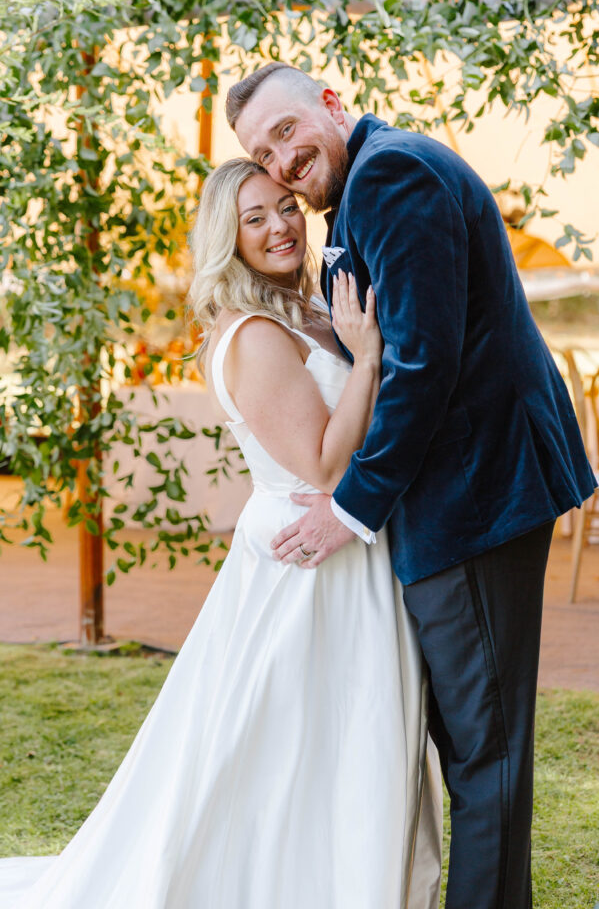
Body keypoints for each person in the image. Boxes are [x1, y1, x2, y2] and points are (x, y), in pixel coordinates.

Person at [0, 159, 442, 909]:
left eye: (286, 208)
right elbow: (324, 461)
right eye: (255, 218)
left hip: (345, 550)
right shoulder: (254, 333)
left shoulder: (301, 311)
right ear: (226, 239)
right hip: (308, 558)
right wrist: (367, 358)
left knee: (343, 733)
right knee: (294, 740)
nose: (280, 226)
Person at [228, 64, 597, 909]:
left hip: (473, 499)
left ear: (330, 102)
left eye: (286, 132)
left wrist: (351, 509)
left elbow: (422, 364)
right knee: (470, 744)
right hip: (450, 501)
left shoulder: (391, 173)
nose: (281, 160)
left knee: (485, 752)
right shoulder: (362, 191)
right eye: (262, 153)